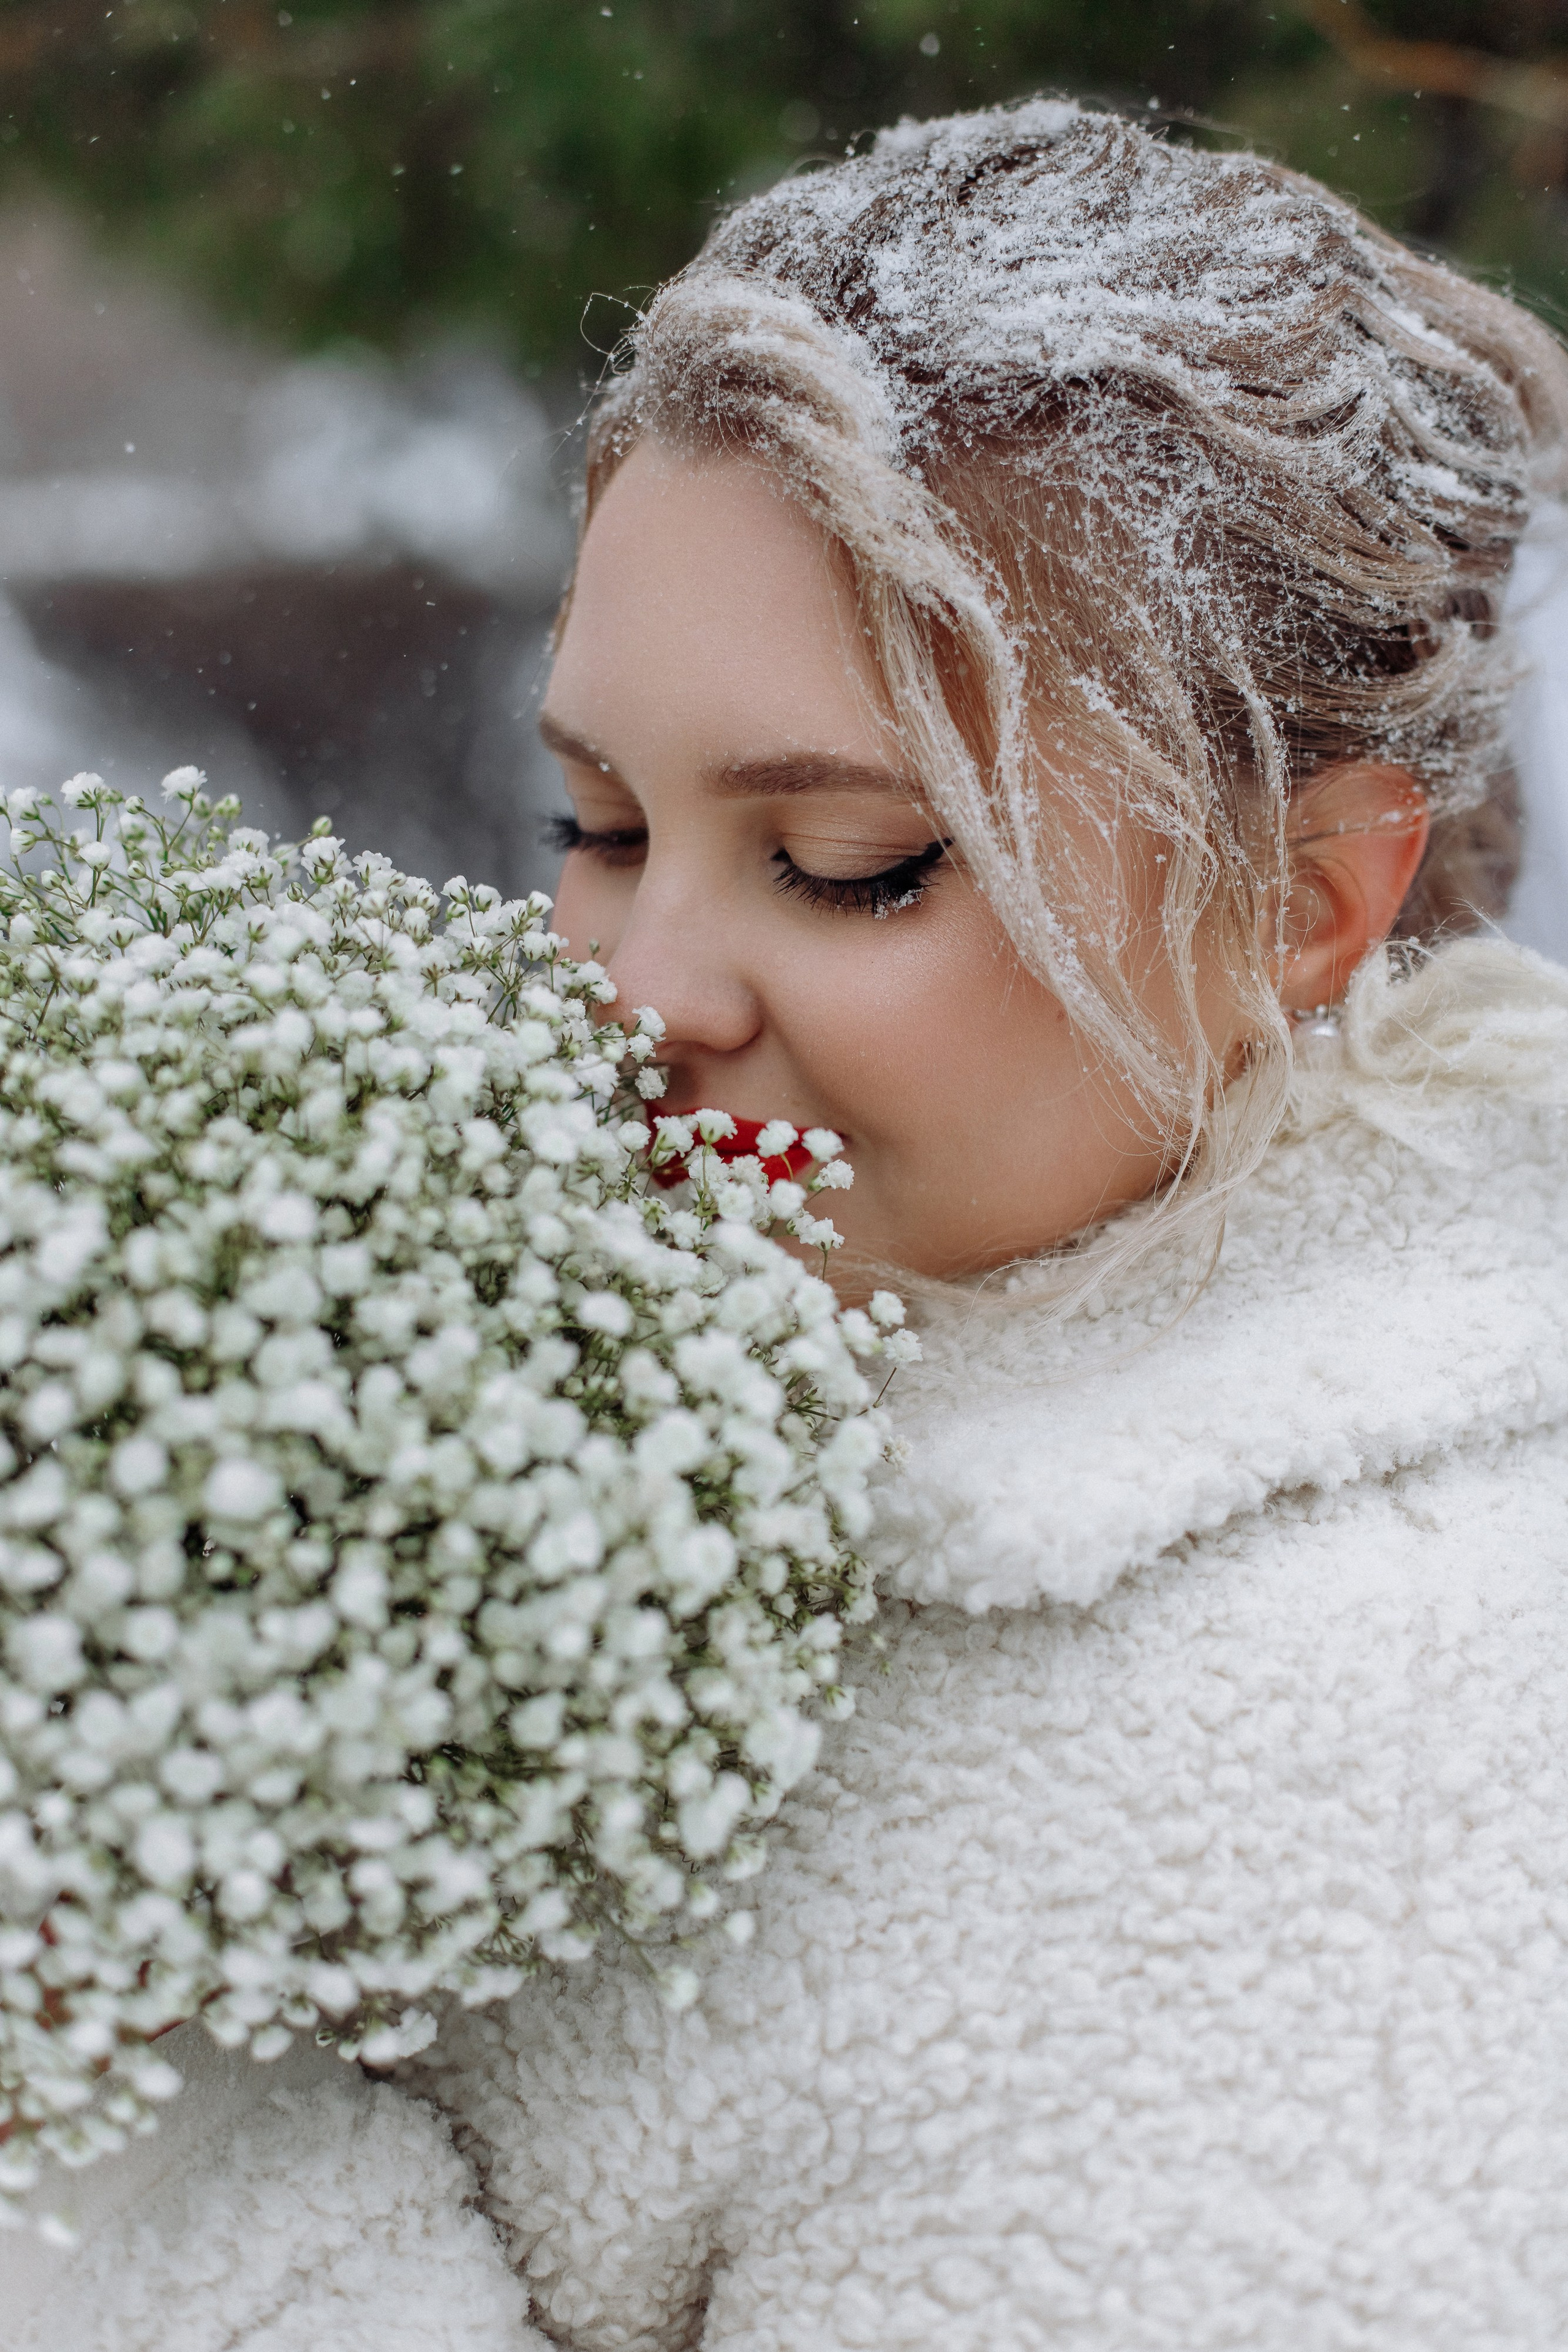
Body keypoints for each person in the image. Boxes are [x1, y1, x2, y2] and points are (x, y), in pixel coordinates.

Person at [13, 97, 1568, 2350]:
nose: (641, 997)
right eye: (600, 821)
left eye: (854, 862)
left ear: (1312, 899)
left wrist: (117, 2125)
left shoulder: (1379, 1774)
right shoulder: (477, 1433)